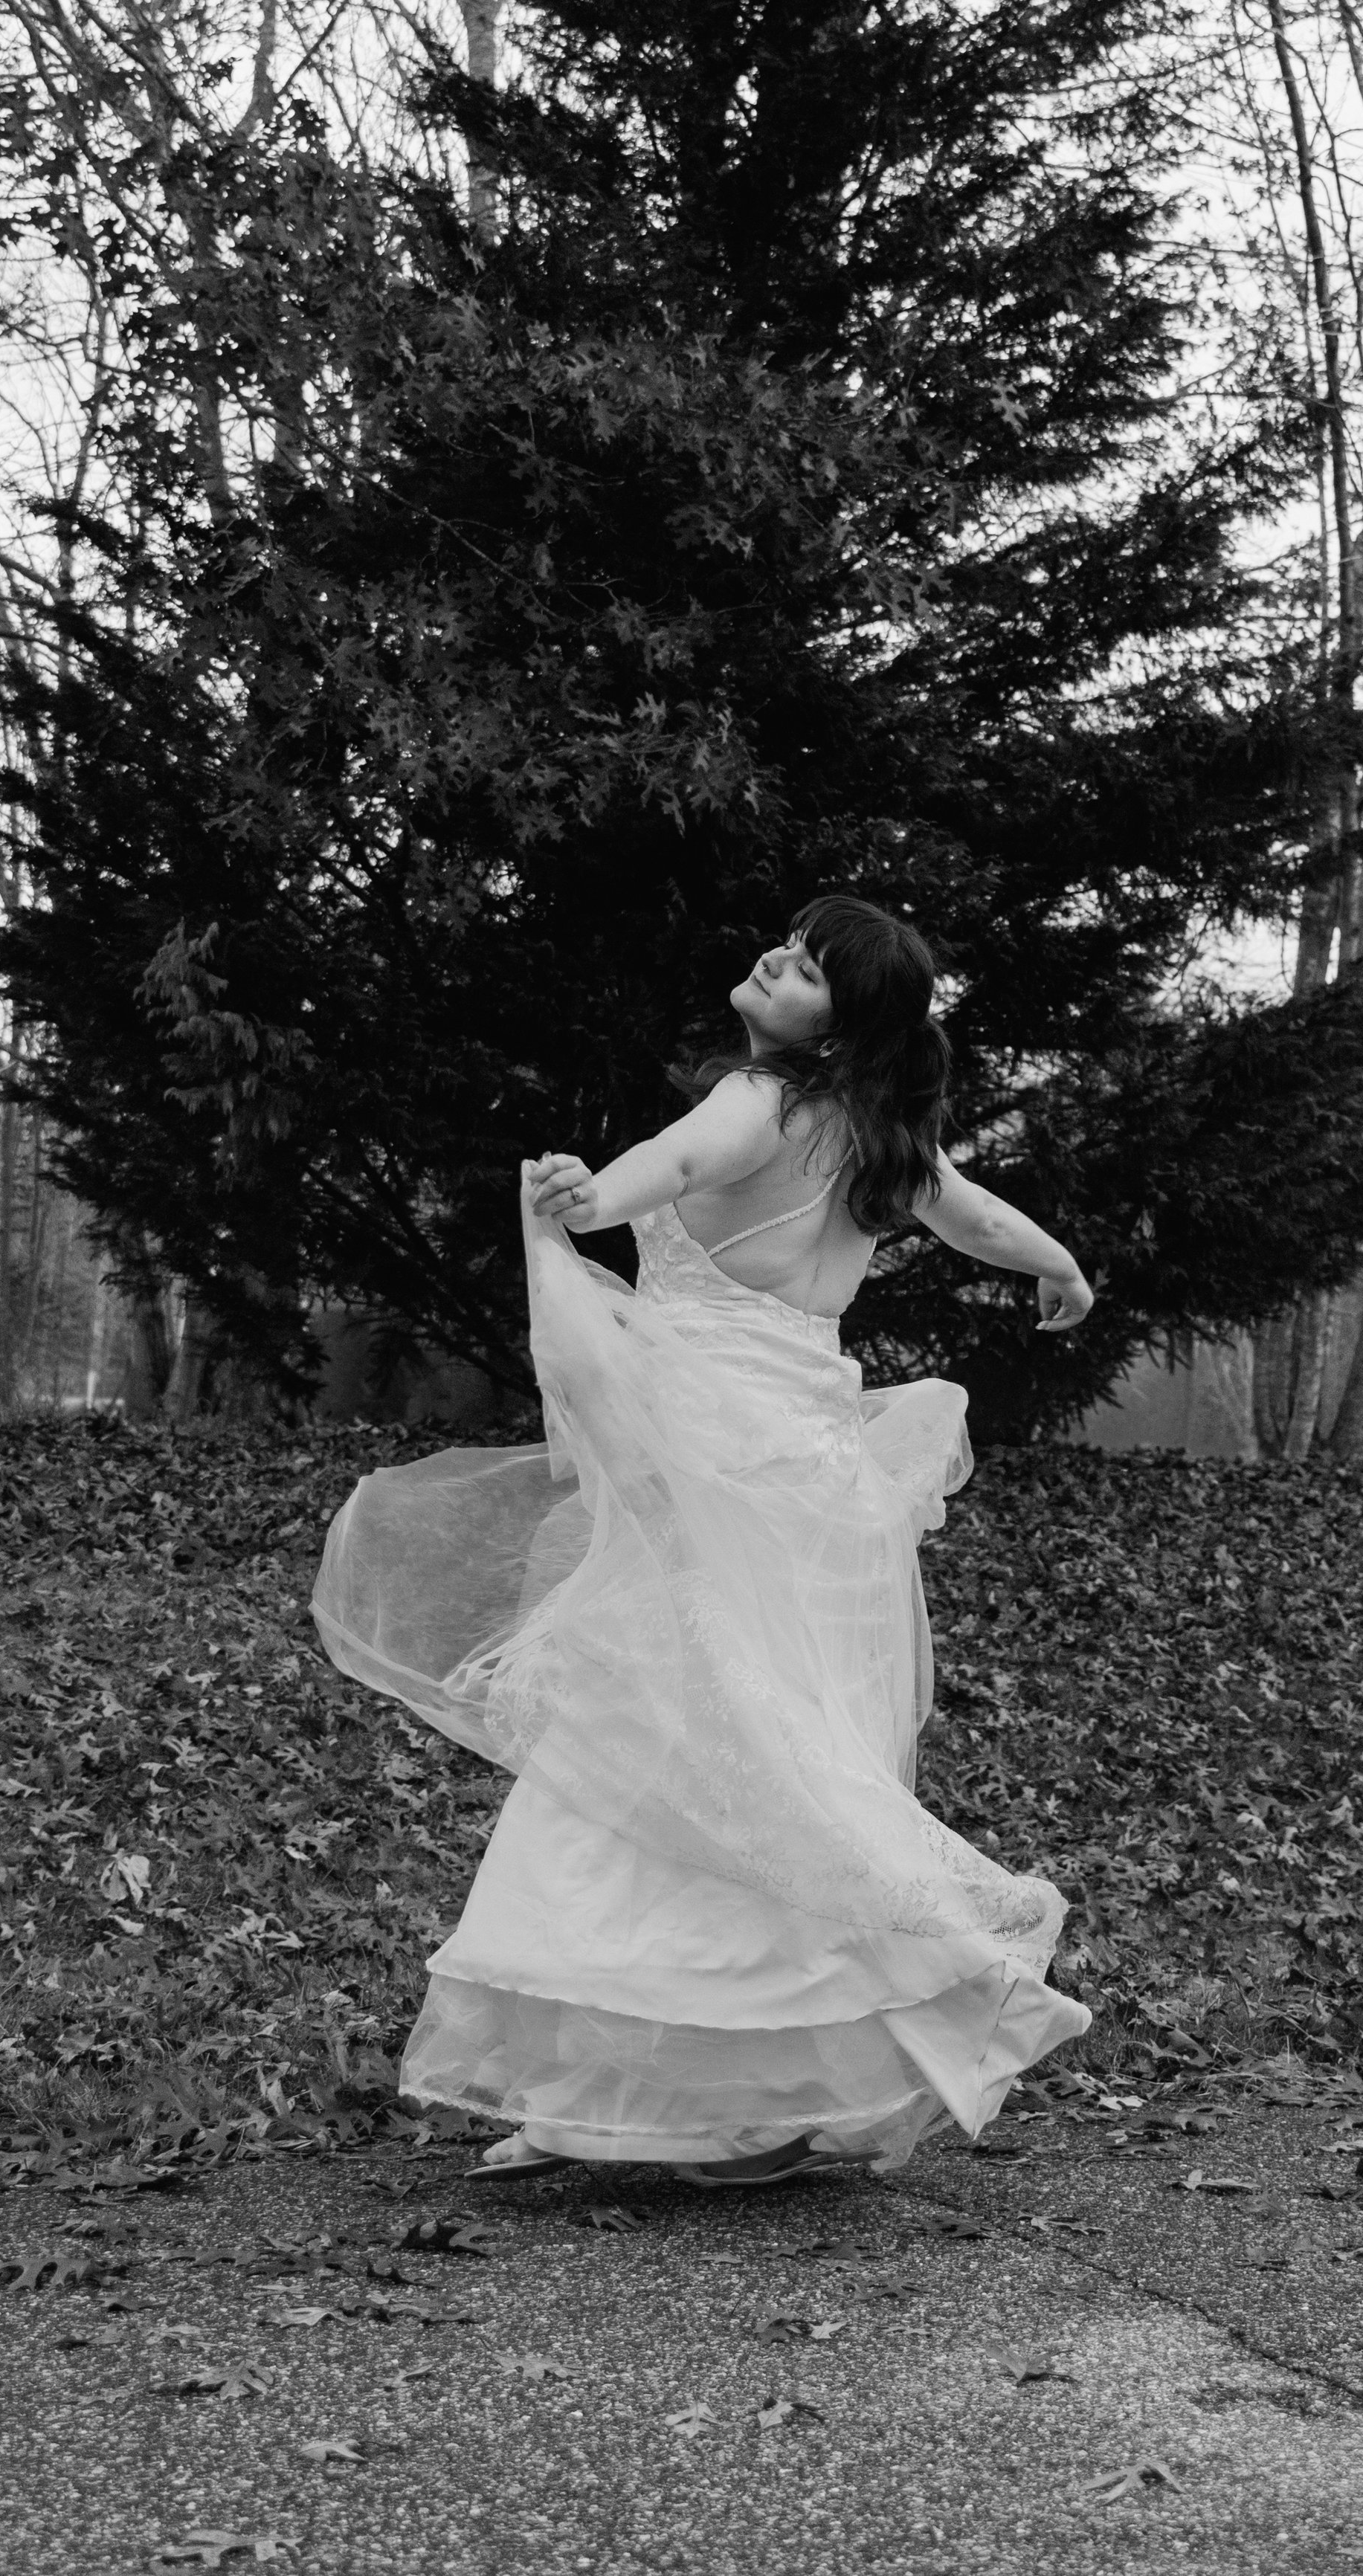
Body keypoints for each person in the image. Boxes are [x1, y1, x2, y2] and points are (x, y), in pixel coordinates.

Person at [312, 892, 1096, 2186]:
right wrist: (1060, 1268)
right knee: (774, 1743)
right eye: (788, 940)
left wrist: (586, 1193)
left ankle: (637, 2088)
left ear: (840, 1029)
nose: (779, 956)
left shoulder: (767, 1101)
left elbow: (669, 1170)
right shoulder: (883, 1138)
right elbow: (979, 1221)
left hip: (712, 1449)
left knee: (667, 1737)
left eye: (813, 965)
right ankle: (722, 2086)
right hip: (821, 1471)